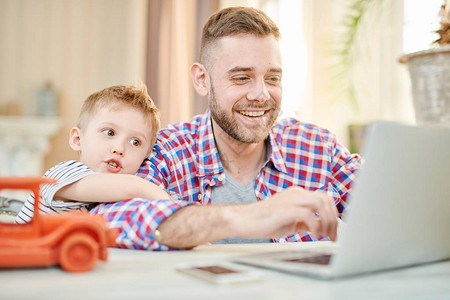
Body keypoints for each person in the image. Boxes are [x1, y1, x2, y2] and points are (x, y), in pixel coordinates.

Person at [91, 6, 362, 250]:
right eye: (242, 78)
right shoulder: (166, 152)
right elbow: (110, 219)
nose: (261, 94)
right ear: (201, 80)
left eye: (272, 78)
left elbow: (390, 209)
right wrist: (251, 216)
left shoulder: (319, 148)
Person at [16, 84, 169, 224]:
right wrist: (172, 206)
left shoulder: (114, 202)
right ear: (77, 139)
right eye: (110, 132)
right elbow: (133, 187)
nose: (119, 148)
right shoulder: (62, 174)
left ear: (146, 156)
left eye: (135, 142)